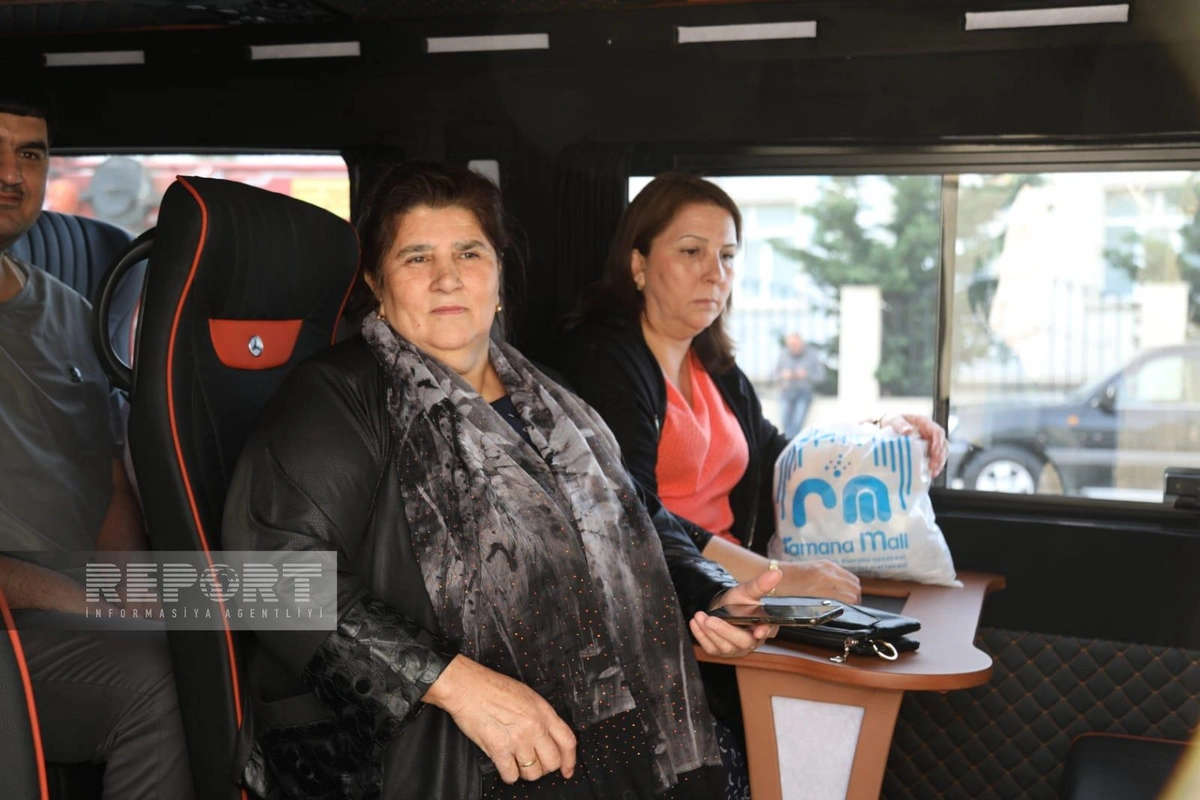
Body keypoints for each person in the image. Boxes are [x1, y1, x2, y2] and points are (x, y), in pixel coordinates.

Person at [222, 162, 785, 800]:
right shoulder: (338, 399)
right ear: (377, 282)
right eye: (416, 257)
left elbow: (635, 520)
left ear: (497, 276)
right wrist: (456, 684)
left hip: (608, 739)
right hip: (437, 755)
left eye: (469, 253)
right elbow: (269, 577)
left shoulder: (551, 398)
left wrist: (712, 594)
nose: (447, 277)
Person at [559, 172, 949, 601]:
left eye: (727, 256)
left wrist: (881, 434)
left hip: (741, 590)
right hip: (674, 599)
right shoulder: (603, 361)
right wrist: (777, 577)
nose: (715, 273)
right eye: (692, 251)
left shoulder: (718, 369)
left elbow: (782, 461)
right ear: (639, 265)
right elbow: (632, 512)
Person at [0, 93, 195, 798]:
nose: (11, 174)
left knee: (296, 607)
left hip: (73, 597)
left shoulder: (69, 312)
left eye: (30, 154)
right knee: (162, 678)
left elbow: (109, 476)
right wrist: (93, 607)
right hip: (18, 614)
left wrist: (127, 588)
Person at [776, 332, 825, 438]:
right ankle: (790, 442)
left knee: (797, 423)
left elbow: (821, 376)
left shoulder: (812, 355)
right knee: (785, 421)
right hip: (786, 392)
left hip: (803, 393)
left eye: (796, 345)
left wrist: (806, 374)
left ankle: (791, 443)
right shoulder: (783, 355)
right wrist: (783, 375)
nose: (793, 348)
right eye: (790, 345)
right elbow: (774, 375)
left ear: (801, 343)